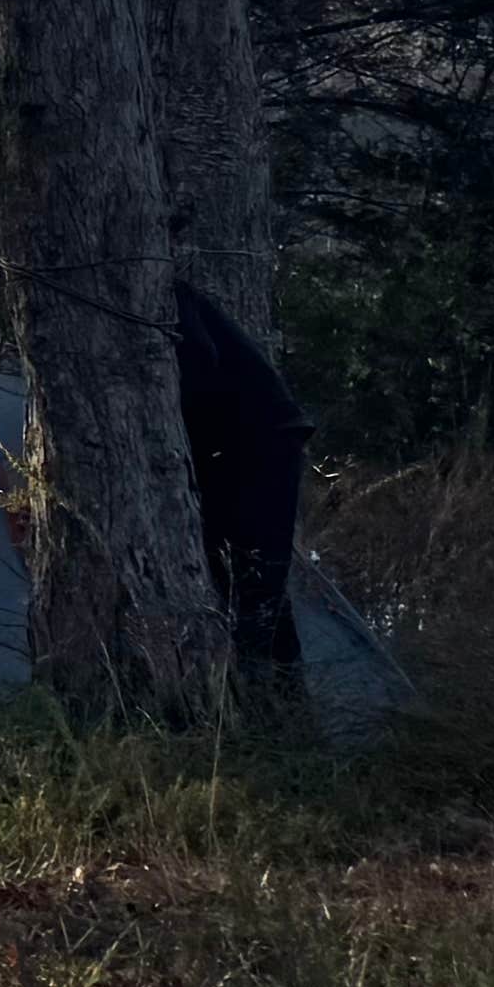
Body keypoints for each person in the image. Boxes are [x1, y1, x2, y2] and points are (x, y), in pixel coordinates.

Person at [172, 282, 310, 707]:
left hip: (258, 445)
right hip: (244, 447)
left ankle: (263, 697)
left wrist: (183, 437)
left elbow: (199, 361)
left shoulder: (168, 295)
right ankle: (282, 700)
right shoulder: (170, 295)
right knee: (249, 575)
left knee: (255, 577)